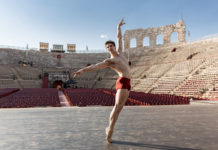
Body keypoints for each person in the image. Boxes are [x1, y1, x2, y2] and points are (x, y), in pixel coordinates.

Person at [73, 18, 131, 143]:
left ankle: (110, 128)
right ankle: (110, 130)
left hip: (128, 82)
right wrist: (82, 70)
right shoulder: (110, 61)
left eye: (110, 45)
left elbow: (120, 38)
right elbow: (95, 66)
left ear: (114, 47)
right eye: (107, 47)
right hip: (122, 81)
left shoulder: (121, 53)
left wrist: (118, 27)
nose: (109, 47)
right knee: (116, 107)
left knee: (120, 108)